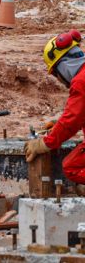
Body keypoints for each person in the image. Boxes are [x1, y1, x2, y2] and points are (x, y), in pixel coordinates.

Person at [25, 29, 85, 185]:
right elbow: (78, 115)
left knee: (71, 167)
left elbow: (72, 120)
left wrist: (44, 143)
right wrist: (57, 126)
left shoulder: (81, 81)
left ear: (63, 66)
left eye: (56, 74)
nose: (59, 80)